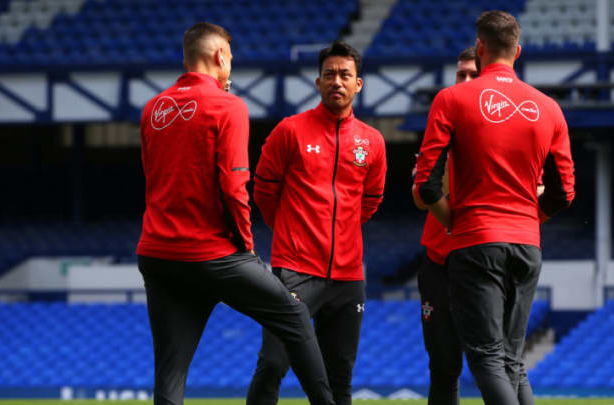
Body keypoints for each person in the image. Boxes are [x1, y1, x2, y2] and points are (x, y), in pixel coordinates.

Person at [136, 22, 335, 405]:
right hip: (212, 253)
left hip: (158, 254)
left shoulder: (152, 108)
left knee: (170, 370)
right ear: (219, 56)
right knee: (293, 317)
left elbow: (153, 176)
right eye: (231, 57)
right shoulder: (228, 106)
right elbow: (233, 186)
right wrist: (245, 246)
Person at [414, 11, 575, 405]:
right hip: (527, 244)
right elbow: (564, 191)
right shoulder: (549, 108)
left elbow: (426, 182)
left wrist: (454, 223)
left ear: (481, 47)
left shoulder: (451, 99)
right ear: (517, 51)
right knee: (512, 361)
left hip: (476, 242)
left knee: (486, 358)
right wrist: (527, 219)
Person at [249, 41, 387, 405]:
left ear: (359, 84)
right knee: (273, 364)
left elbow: (370, 201)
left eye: (345, 75)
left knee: (339, 376)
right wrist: (292, 233)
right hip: (295, 270)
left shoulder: (372, 142)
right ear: (317, 82)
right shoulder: (289, 131)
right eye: (329, 75)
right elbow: (264, 191)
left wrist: (340, 232)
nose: (336, 82)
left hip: (348, 277)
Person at [411, 46, 478, 405]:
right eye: (460, 74)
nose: (465, 81)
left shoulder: (505, 132)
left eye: (472, 74)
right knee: (443, 366)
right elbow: (420, 195)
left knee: (497, 364)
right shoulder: (440, 130)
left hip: (483, 258)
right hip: (437, 261)